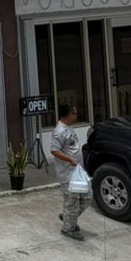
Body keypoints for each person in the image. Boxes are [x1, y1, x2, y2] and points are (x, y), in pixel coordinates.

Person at [50, 102, 89, 243]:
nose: (76, 114)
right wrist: (69, 159)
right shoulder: (59, 131)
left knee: (87, 197)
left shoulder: (69, 128)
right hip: (67, 174)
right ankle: (68, 228)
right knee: (72, 201)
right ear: (67, 114)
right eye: (74, 112)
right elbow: (54, 150)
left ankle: (68, 217)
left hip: (78, 172)